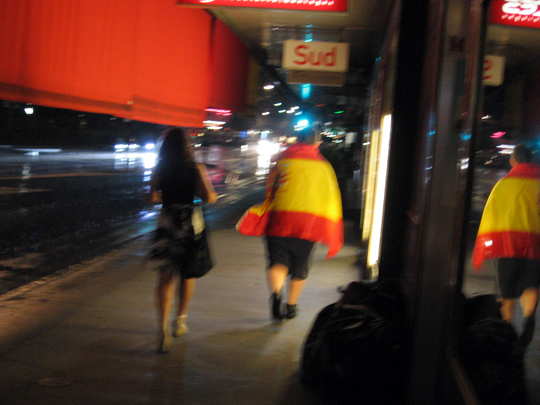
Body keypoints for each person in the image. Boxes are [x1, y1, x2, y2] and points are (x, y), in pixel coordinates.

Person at [237, 128, 343, 321]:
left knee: (278, 262)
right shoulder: (324, 166)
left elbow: (270, 188)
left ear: (297, 141)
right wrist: (329, 225)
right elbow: (331, 197)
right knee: (301, 266)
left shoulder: (283, 159)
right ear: (317, 144)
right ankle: (292, 305)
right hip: (309, 223)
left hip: (281, 218)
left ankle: (277, 295)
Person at [147, 127, 218, 353]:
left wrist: (162, 195)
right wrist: (210, 194)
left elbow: (151, 197)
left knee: (165, 276)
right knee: (188, 274)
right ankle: (180, 321)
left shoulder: (160, 168)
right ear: (187, 146)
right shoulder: (195, 167)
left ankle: (162, 328)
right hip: (190, 224)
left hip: (167, 224)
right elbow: (209, 197)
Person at [472, 143, 540, 352]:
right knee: (530, 287)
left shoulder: (502, 184)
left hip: (509, 245)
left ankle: (507, 335)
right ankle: (528, 320)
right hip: (535, 245)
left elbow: (491, 214)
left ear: (513, 161)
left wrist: (485, 246)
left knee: (507, 293)